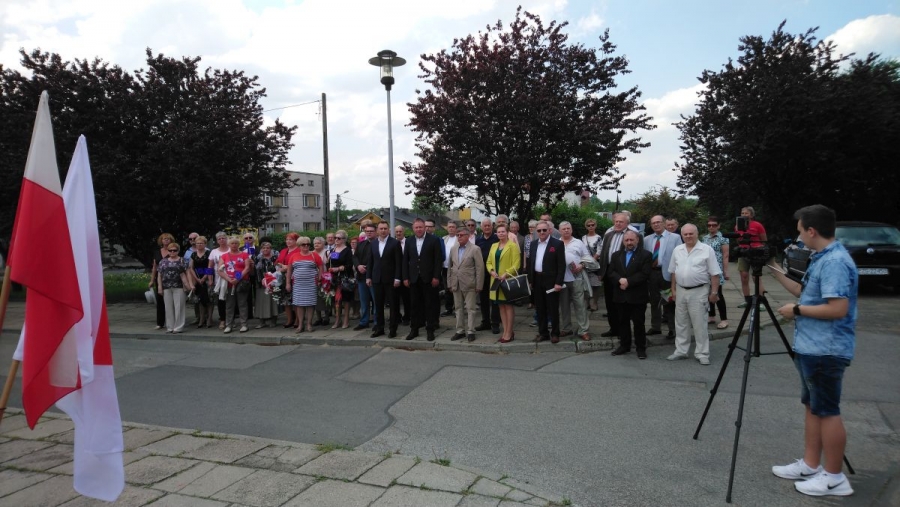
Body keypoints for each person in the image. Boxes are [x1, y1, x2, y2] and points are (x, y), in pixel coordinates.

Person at [769, 204, 857, 497]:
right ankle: (810, 464)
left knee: (827, 411)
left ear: (811, 230)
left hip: (826, 349)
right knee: (813, 406)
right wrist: (775, 270)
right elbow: (804, 293)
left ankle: (834, 477)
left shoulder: (835, 262)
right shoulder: (821, 257)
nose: (798, 238)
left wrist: (796, 310)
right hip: (811, 346)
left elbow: (838, 308)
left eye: (800, 232)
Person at [666, 224, 721, 365]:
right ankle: (681, 351)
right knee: (681, 322)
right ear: (682, 235)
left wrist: (714, 293)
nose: (688, 236)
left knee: (699, 324)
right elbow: (673, 271)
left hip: (699, 291)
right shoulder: (677, 250)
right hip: (681, 290)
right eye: (685, 234)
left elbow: (715, 274)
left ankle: (702, 353)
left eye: (691, 233)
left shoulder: (706, 250)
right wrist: (673, 290)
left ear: (697, 234)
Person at [609, 230, 652, 359]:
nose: (629, 242)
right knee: (623, 322)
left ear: (637, 240)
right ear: (623, 241)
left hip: (637, 296)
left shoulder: (646, 255)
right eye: (626, 240)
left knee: (639, 323)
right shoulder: (616, 255)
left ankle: (641, 348)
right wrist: (619, 280)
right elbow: (611, 272)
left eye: (631, 240)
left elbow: (645, 273)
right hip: (620, 295)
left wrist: (628, 281)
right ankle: (624, 346)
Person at [598, 213, 640, 338]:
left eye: (621, 222)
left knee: (622, 304)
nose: (617, 223)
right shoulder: (608, 235)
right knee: (609, 303)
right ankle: (613, 328)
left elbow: (638, 255)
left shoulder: (632, 235)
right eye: (616, 221)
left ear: (627, 223)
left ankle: (623, 331)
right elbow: (604, 253)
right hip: (609, 273)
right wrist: (601, 272)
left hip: (624, 274)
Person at [402, 218, 443, 341]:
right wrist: (405, 277)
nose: (418, 229)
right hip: (414, 278)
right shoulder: (409, 241)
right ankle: (414, 330)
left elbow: (438, 260)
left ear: (425, 227)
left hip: (429, 278)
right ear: (413, 228)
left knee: (429, 305)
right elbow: (405, 260)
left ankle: (430, 330)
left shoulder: (434, 240)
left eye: (421, 227)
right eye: (416, 227)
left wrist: (436, 276)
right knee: (414, 305)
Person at [644, 215, 682, 340]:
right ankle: (656, 327)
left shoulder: (675, 238)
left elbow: (680, 256)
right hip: (652, 274)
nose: (656, 224)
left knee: (669, 302)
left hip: (668, 274)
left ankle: (672, 329)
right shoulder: (647, 239)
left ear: (664, 223)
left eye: (658, 222)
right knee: (654, 302)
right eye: (653, 223)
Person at [527, 220, 565, 343]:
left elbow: (561, 265)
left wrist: (558, 282)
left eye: (544, 230)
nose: (542, 232)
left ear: (549, 230)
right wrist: (531, 280)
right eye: (539, 230)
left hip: (551, 281)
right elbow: (531, 262)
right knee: (540, 308)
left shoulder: (557, 244)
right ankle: (543, 333)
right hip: (537, 279)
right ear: (536, 232)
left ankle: (555, 333)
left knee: (553, 308)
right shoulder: (533, 244)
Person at [486, 224, 521, 343]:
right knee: (501, 306)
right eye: (499, 232)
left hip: (507, 280)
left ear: (507, 232)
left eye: (503, 231)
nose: (501, 233)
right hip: (496, 281)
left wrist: (506, 274)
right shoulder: (494, 246)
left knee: (508, 306)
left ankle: (509, 332)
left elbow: (516, 264)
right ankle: (505, 331)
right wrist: (491, 271)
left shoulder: (512, 246)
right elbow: (488, 262)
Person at [447, 227, 484, 343]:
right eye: (458, 235)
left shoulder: (475, 249)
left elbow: (480, 268)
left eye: (462, 235)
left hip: (469, 283)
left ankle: (471, 331)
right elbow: (450, 266)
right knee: (458, 308)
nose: (459, 237)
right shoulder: (453, 249)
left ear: (468, 236)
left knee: (471, 308)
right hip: (456, 282)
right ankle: (460, 330)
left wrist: (479, 285)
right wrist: (449, 282)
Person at [367, 221, 402, 338]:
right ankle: (380, 328)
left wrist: (397, 278)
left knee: (393, 305)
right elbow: (370, 261)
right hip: (377, 279)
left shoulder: (395, 243)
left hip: (391, 279)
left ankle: (393, 329)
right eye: (381, 229)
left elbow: (399, 262)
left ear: (389, 230)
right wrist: (368, 277)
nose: (383, 231)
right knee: (378, 305)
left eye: (385, 228)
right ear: (377, 230)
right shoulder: (373, 244)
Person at [558, 222, 591, 341]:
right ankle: (566, 328)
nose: (566, 230)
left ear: (571, 230)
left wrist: (582, 265)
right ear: (559, 231)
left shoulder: (578, 242)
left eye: (568, 228)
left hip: (577, 278)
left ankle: (583, 330)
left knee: (580, 305)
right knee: (564, 306)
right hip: (562, 279)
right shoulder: (556, 242)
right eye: (564, 229)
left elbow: (587, 257)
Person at [285, 236, 323, 333]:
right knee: (299, 304)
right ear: (299, 245)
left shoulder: (314, 255)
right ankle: (300, 324)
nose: (306, 246)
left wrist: (320, 278)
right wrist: (288, 283)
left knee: (310, 304)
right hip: (298, 284)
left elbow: (321, 267)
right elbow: (289, 271)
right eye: (303, 244)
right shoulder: (294, 256)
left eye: (308, 244)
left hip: (311, 284)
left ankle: (309, 324)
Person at [157, 241, 192, 333]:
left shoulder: (182, 260)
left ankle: (178, 327)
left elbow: (188, 273)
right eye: (170, 250)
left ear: (178, 251)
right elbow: (159, 275)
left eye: (174, 250)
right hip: (166, 286)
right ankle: (170, 327)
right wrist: (160, 287)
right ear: (168, 251)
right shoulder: (163, 261)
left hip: (179, 286)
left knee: (179, 307)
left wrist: (190, 284)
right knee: (168, 308)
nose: (172, 252)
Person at [736, 206, 768, 308]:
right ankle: (747, 300)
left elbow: (764, 239)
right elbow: (738, 239)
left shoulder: (757, 225)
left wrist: (759, 248)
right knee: (744, 276)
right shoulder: (737, 226)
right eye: (742, 213)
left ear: (751, 215)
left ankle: (761, 300)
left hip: (755, 252)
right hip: (743, 252)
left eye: (746, 213)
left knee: (756, 276)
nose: (744, 215)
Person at [219, 236, 251, 333]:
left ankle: (244, 324)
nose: (234, 245)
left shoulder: (244, 254)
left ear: (239, 244)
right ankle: (229, 325)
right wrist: (229, 279)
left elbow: (247, 268)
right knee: (229, 304)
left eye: (236, 243)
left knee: (242, 304)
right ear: (229, 245)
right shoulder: (224, 256)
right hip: (229, 282)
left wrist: (238, 278)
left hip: (242, 282)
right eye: (232, 243)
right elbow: (219, 270)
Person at [702, 216, 730, 329]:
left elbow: (725, 255)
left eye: (714, 225)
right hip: (706, 269)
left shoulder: (723, 239)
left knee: (718, 293)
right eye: (709, 225)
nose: (711, 227)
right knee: (708, 292)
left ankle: (724, 319)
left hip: (717, 269)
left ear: (718, 226)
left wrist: (725, 271)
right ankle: (711, 315)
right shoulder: (704, 238)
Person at [475, 218, 500, 334]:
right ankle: (485, 322)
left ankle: (495, 323)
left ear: (492, 226)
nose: (487, 227)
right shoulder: (478, 240)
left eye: (489, 225)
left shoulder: (497, 238)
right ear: (481, 227)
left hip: (494, 273)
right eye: (484, 225)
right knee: (483, 299)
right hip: (482, 273)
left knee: (494, 299)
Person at [148, 233, 175, 330]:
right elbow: (154, 267)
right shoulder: (157, 252)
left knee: (171, 300)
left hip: (171, 278)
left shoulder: (173, 250)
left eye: (168, 239)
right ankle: (160, 322)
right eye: (164, 239)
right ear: (161, 241)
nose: (166, 240)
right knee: (160, 300)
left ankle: (172, 321)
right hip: (159, 278)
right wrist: (152, 280)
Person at [328, 230, 353, 329]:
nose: (336, 240)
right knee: (336, 299)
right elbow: (331, 263)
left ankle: (346, 320)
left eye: (338, 238)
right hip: (335, 278)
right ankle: (338, 319)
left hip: (345, 278)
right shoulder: (333, 250)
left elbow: (349, 265)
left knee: (346, 299)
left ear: (344, 239)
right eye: (335, 238)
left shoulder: (347, 250)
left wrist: (338, 268)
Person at [353, 224, 377, 330]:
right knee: (364, 301)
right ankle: (364, 321)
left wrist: (367, 267)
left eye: (371, 231)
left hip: (374, 277)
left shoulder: (378, 244)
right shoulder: (361, 244)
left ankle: (377, 322)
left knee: (376, 301)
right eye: (367, 231)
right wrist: (358, 266)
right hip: (362, 276)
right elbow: (355, 257)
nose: (369, 233)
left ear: (375, 231)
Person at [253, 237, 279, 328]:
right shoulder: (257, 258)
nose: (265, 249)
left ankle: (273, 320)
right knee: (261, 302)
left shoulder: (275, 258)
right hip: (261, 283)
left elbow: (278, 269)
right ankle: (262, 321)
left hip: (273, 283)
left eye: (267, 248)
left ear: (270, 249)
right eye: (263, 248)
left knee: (273, 301)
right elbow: (254, 270)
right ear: (261, 249)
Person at [276, 233, 301, 328]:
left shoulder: (299, 251)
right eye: (287, 239)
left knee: (296, 300)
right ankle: (289, 319)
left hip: (295, 277)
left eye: (291, 239)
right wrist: (280, 266)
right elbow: (277, 262)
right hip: (283, 277)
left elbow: (299, 263)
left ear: (296, 241)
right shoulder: (283, 251)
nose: (288, 241)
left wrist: (287, 267)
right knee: (286, 300)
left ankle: (298, 320)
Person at [188, 235, 213, 328]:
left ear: (205, 244)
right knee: (200, 299)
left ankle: (209, 319)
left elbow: (210, 266)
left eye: (201, 243)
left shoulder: (209, 253)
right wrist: (197, 278)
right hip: (197, 278)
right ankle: (201, 319)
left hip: (207, 277)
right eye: (197, 243)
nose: (199, 245)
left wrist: (204, 278)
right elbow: (191, 268)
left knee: (209, 299)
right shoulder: (193, 254)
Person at [208, 232, 230, 329]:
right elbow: (210, 266)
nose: (221, 240)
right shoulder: (214, 252)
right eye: (219, 239)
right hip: (219, 279)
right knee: (221, 301)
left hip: (231, 278)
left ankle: (231, 319)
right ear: (217, 241)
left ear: (226, 239)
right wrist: (210, 279)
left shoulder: (231, 249)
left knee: (231, 300)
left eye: (223, 238)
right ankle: (222, 320)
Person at [582, 218, 603, 312]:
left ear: (595, 226)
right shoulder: (583, 238)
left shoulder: (598, 237)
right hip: (585, 264)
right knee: (586, 284)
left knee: (596, 285)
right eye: (588, 225)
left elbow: (599, 251)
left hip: (595, 264)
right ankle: (588, 302)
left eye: (592, 225)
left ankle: (594, 302)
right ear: (586, 227)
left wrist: (592, 261)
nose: (591, 227)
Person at [441, 220, 459, 317]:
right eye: (449, 227)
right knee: (447, 288)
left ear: (456, 229)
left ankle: (457, 309)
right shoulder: (444, 239)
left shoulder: (459, 238)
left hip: (455, 268)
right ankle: (448, 309)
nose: (451, 229)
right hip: (445, 267)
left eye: (453, 227)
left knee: (456, 289)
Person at [394, 225, 411, 324]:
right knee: (395, 298)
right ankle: (396, 316)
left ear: (404, 231)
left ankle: (407, 316)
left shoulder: (409, 243)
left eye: (400, 231)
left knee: (406, 298)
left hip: (407, 274)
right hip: (395, 275)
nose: (398, 233)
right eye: (397, 232)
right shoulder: (392, 243)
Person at [312, 236, 331, 326]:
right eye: (315, 243)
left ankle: (326, 317)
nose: (316, 245)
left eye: (319, 243)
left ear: (323, 244)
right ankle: (318, 318)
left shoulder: (327, 252)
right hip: (313, 278)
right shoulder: (311, 253)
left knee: (324, 298)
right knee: (315, 298)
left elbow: (330, 264)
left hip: (325, 279)